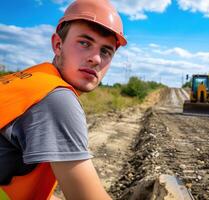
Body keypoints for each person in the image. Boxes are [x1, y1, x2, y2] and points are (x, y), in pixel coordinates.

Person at [0, 0, 127, 199]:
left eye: (106, 51)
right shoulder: (55, 98)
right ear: (58, 45)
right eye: (84, 43)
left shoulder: (25, 81)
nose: (96, 58)